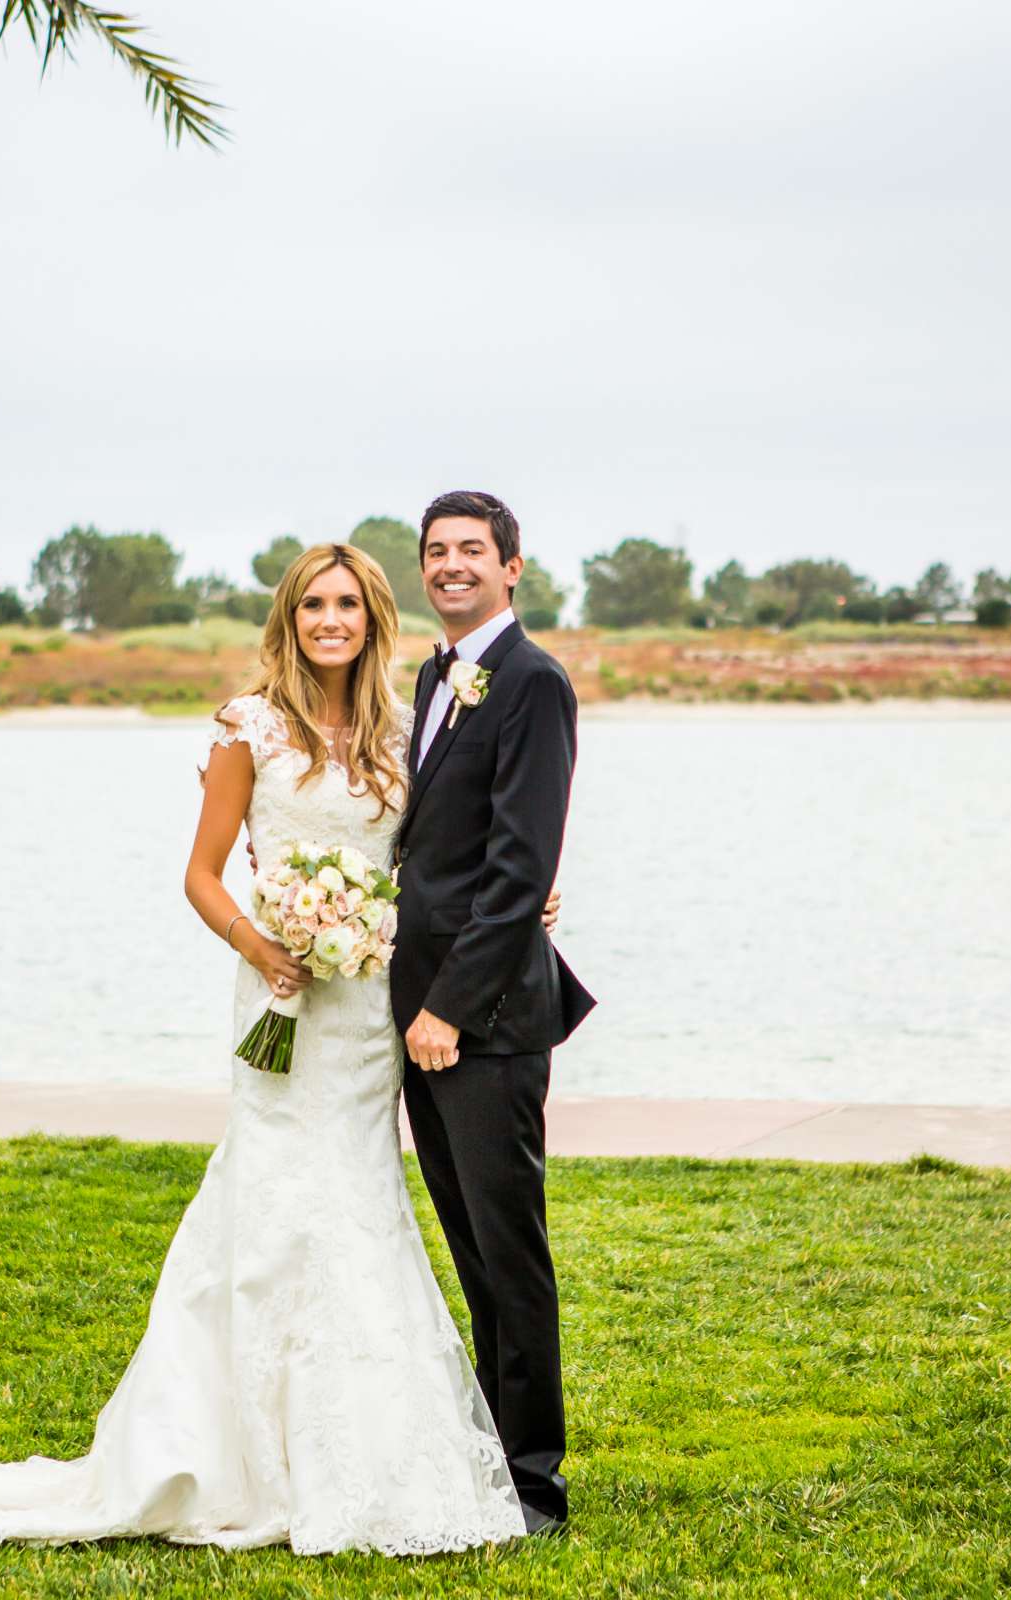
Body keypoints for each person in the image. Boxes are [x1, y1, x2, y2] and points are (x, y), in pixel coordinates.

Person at [0, 539, 571, 1556]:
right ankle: (231, 1449)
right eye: (313, 606)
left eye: (348, 604)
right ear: (290, 620)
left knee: (362, 1206)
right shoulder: (246, 727)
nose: (331, 622)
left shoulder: (400, 729)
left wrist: (520, 900)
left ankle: (375, 1453)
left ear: (373, 617)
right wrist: (269, 943)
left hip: (368, 1012)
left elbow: (444, 849)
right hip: (282, 995)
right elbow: (204, 874)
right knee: (266, 1206)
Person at [391, 489, 595, 1535]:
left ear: (513, 567)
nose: (453, 564)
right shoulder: (439, 674)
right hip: (420, 1020)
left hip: (486, 1023)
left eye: (473, 550)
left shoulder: (533, 683)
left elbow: (521, 872)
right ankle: (488, 1457)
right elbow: (431, 846)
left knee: (510, 1255)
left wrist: (449, 1011)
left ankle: (534, 1485)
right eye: (438, 551)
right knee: (470, 1247)